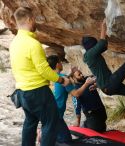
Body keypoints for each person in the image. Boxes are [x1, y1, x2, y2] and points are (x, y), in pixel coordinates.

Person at [9, 7, 69, 146]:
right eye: (34, 19)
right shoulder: (33, 44)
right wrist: (61, 79)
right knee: (50, 122)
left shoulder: (14, 43)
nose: (35, 22)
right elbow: (44, 70)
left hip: (22, 92)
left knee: (30, 123)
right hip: (38, 92)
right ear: (30, 19)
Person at [69, 67, 107, 132]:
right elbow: (77, 107)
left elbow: (100, 77)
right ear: (73, 78)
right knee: (96, 130)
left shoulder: (88, 79)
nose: (82, 75)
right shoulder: (75, 90)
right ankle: (85, 125)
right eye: (79, 75)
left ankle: (89, 124)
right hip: (91, 113)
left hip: (101, 109)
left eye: (81, 73)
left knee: (102, 128)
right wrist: (78, 121)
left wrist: (97, 84)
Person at [46, 55, 72, 143]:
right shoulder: (62, 77)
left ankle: (43, 135)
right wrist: (87, 84)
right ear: (57, 64)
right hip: (56, 114)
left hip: (48, 111)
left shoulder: (49, 77)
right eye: (60, 62)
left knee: (55, 135)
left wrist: (70, 74)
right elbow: (76, 94)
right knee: (66, 140)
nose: (61, 64)